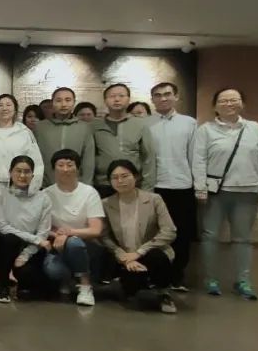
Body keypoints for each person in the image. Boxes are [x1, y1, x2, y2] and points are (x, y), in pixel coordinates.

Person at [193, 88, 258, 300]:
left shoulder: (254, 128)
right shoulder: (206, 130)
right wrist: (200, 187)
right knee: (210, 236)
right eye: (224, 100)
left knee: (243, 239)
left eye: (234, 100)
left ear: (242, 104)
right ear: (215, 106)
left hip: (247, 191)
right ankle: (211, 279)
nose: (229, 103)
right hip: (215, 192)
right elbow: (199, 159)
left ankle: (243, 281)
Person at [101, 160, 178, 313]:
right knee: (130, 287)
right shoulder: (106, 204)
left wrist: (140, 252)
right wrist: (122, 256)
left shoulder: (154, 199)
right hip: (124, 256)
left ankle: (163, 293)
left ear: (135, 177)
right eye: (115, 177)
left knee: (158, 258)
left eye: (125, 176)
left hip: (149, 252)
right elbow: (104, 236)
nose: (120, 181)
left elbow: (169, 231)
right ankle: (128, 283)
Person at [148, 82, 198, 291]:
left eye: (167, 94)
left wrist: (199, 185)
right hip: (154, 186)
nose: (163, 98)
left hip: (182, 185)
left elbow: (195, 156)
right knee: (155, 233)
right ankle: (156, 275)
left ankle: (177, 275)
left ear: (176, 96)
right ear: (152, 99)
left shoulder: (189, 123)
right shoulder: (146, 123)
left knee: (181, 233)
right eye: (158, 95)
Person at [42, 149, 103, 306]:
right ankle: (67, 280)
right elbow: (42, 227)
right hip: (57, 244)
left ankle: (85, 285)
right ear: (53, 169)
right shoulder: (46, 194)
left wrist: (69, 233)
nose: (65, 169)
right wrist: (58, 235)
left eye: (70, 165)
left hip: (85, 245)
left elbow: (95, 230)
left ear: (78, 168)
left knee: (74, 243)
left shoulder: (89, 192)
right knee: (53, 270)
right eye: (60, 165)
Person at [0, 156, 52, 304]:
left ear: (32, 175)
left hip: (29, 248)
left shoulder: (43, 198)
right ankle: (2, 287)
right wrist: (35, 239)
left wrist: (25, 255)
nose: (22, 175)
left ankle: (17, 279)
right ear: (10, 173)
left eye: (27, 172)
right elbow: (3, 227)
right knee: (10, 239)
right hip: (4, 244)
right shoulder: (0, 194)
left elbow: (43, 233)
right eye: (18, 171)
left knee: (27, 275)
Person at [93, 84, 156, 197]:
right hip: (103, 184)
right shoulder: (94, 126)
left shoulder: (140, 125)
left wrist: (147, 188)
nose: (117, 99)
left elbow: (148, 158)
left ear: (128, 99)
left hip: (133, 183)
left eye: (121, 96)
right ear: (105, 101)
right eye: (112, 96)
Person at [0, 93, 43, 202]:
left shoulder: (24, 132)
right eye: (0, 105)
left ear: (15, 109)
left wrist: (34, 187)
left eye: (8, 105)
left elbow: (36, 161)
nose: (4, 108)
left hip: (20, 185)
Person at [33, 87, 95, 188]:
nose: (63, 104)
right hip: (46, 185)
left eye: (68, 100)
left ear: (74, 102)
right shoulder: (40, 127)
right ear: (52, 103)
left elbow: (88, 160)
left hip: (76, 186)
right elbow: (35, 157)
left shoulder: (84, 127)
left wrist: (86, 186)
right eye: (58, 100)